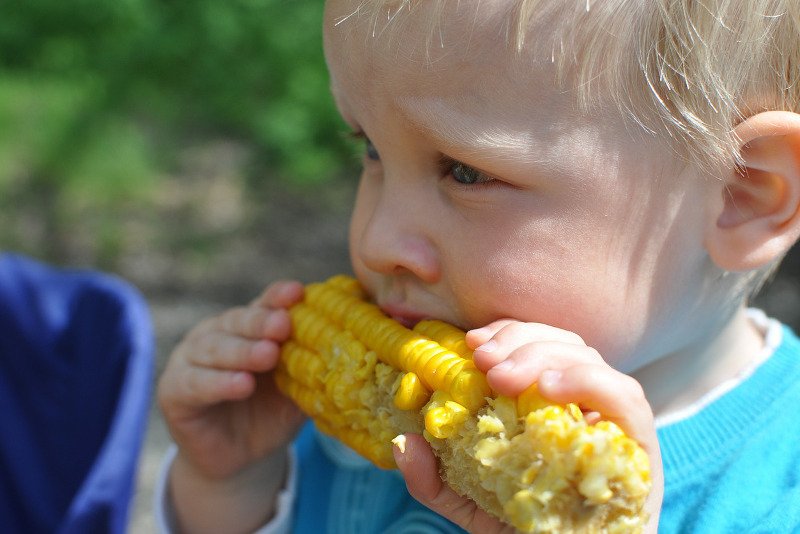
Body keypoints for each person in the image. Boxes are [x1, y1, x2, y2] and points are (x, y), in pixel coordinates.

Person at [154, 0, 800, 532]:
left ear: (741, 195)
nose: (378, 239)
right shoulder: (330, 441)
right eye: (370, 149)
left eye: (467, 172)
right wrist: (230, 487)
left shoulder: (778, 494)